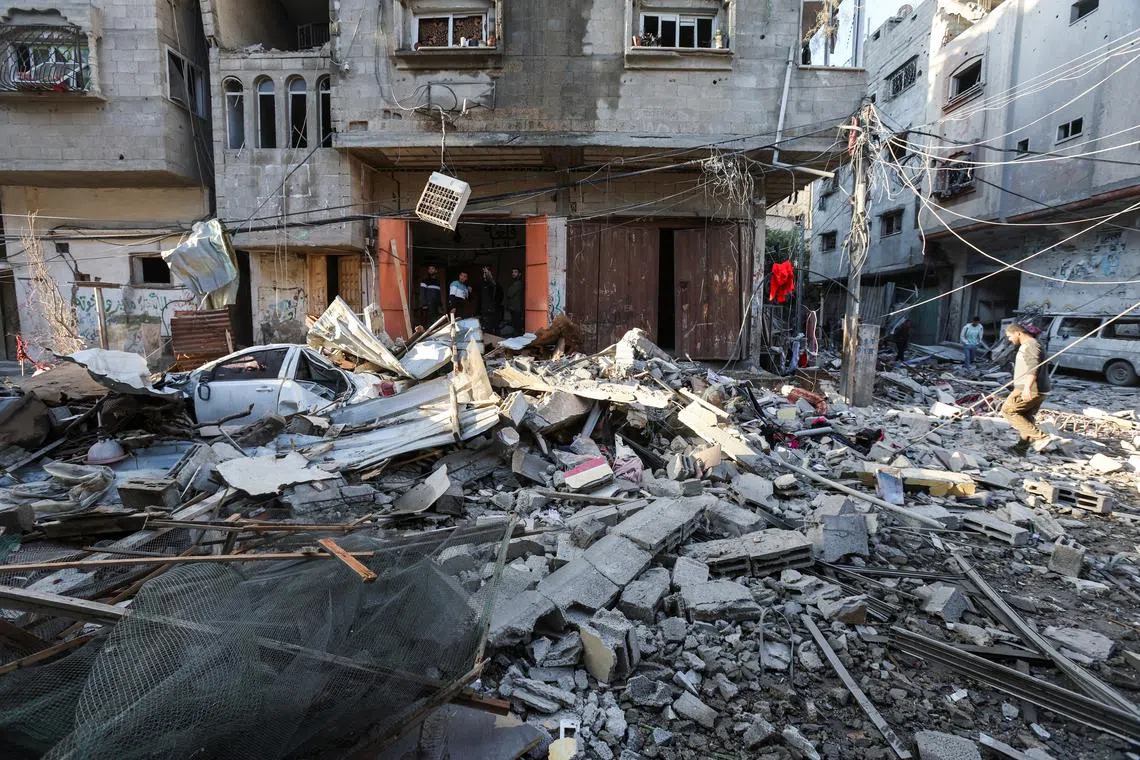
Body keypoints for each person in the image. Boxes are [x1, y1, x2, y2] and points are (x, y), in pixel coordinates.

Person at [1000, 322, 1052, 456]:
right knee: (1026, 418)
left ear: (1018, 333)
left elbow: (1032, 368)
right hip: (1037, 388)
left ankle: (1041, 438)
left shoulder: (1030, 345)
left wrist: (1027, 388)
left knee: (1008, 411)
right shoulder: (1032, 344)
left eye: (1010, 336)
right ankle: (1020, 449)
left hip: (1030, 388)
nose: (1009, 339)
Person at [502, 267, 524, 336]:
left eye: (515, 272)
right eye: (512, 272)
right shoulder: (515, 283)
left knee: (517, 327)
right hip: (514, 308)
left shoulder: (519, 283)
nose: (513, 273)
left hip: (517, 309)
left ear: (519, 274)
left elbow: (509, 293)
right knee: (515, 326)